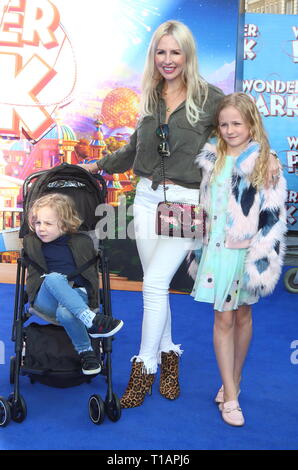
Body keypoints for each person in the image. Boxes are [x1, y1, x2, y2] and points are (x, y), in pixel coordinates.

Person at [79, 20, 281, 408]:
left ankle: (145, 369)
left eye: (175, 52)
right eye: (161, 51)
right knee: (158, 288)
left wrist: (267, 154)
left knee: (153, 285)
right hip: (146, 198)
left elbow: (241, 127)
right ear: (153, 55)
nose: (168, 60)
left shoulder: (210, 97)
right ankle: (170, 356)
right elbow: (135, 149)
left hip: (187, 204)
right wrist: (98, 164)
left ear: (187, 54)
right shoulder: (151, 95)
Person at [191, 92, 287, 426]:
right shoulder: (211, 155)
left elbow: (273, 217)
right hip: (215, 251)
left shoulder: (263, 160)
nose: (230, 130)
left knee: (243, 316)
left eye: (237, 123)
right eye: (224, 124)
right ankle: (230, 397)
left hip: (245, 253)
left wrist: (261, 256)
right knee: (223, 319)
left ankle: (235, 379)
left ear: (251, 124)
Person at [24, 193, 124, 376]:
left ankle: (86, 352)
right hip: (45, 298)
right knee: (54, 278)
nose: (41, 228)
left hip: (77, 295)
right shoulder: (31, 242)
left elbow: (90, 275)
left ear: (63, 224)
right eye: (38, 223)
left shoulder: (82, 242)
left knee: (65, 311)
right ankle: (91, 320)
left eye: (48, 223)